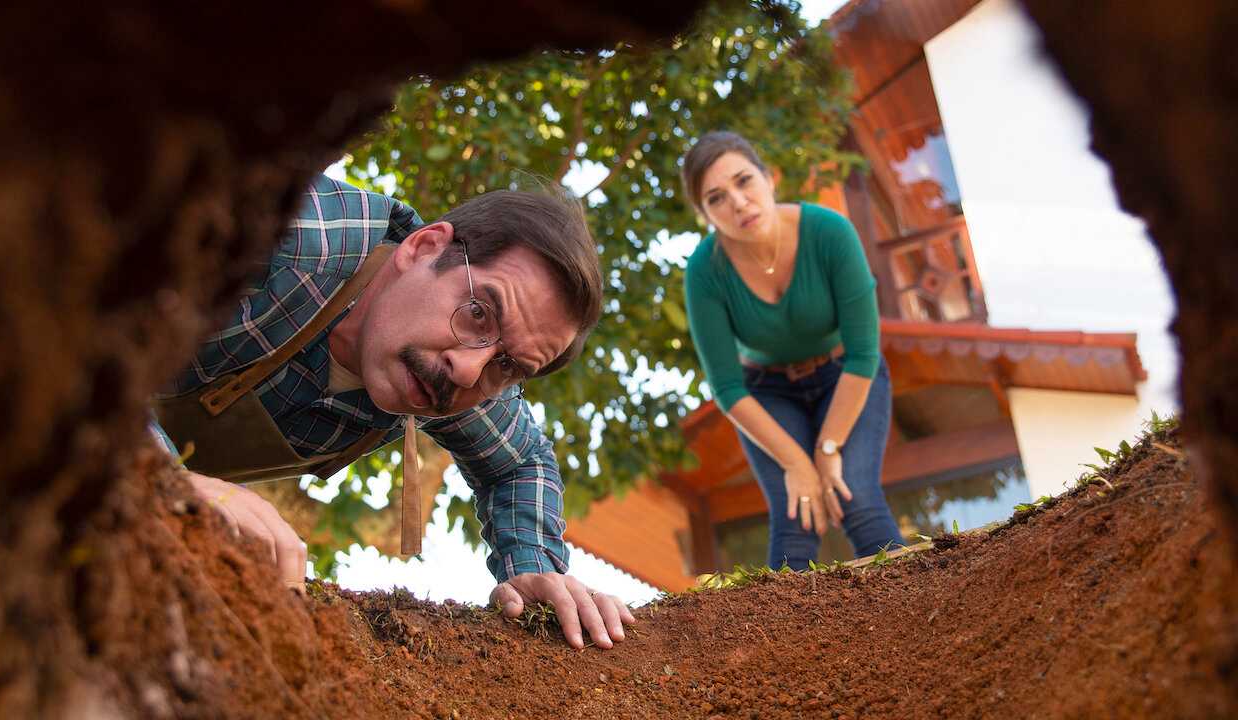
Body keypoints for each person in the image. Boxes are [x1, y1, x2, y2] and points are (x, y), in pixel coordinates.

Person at [150, 173, 634, 650]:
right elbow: (74, 307)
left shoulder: (458, 374)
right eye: (479, 313)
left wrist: (534, 568)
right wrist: (157, 474)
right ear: (422, 249)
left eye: (507, 364)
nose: (467, 372)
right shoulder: (285, 231)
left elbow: (520, 462)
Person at [680, 131, 905, 570]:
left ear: (769, 178)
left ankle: (918, 622)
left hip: (847, 374)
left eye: (745, 181)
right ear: (704, 214)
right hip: (767, 391)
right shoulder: (704, 270)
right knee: (794, 514)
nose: (739, 203)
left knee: (852, 496)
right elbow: (727, 388)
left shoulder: (830, 232)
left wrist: (826, 450)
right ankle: (781, 641)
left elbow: (863, 354)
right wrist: (797, 464)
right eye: (717, 199)